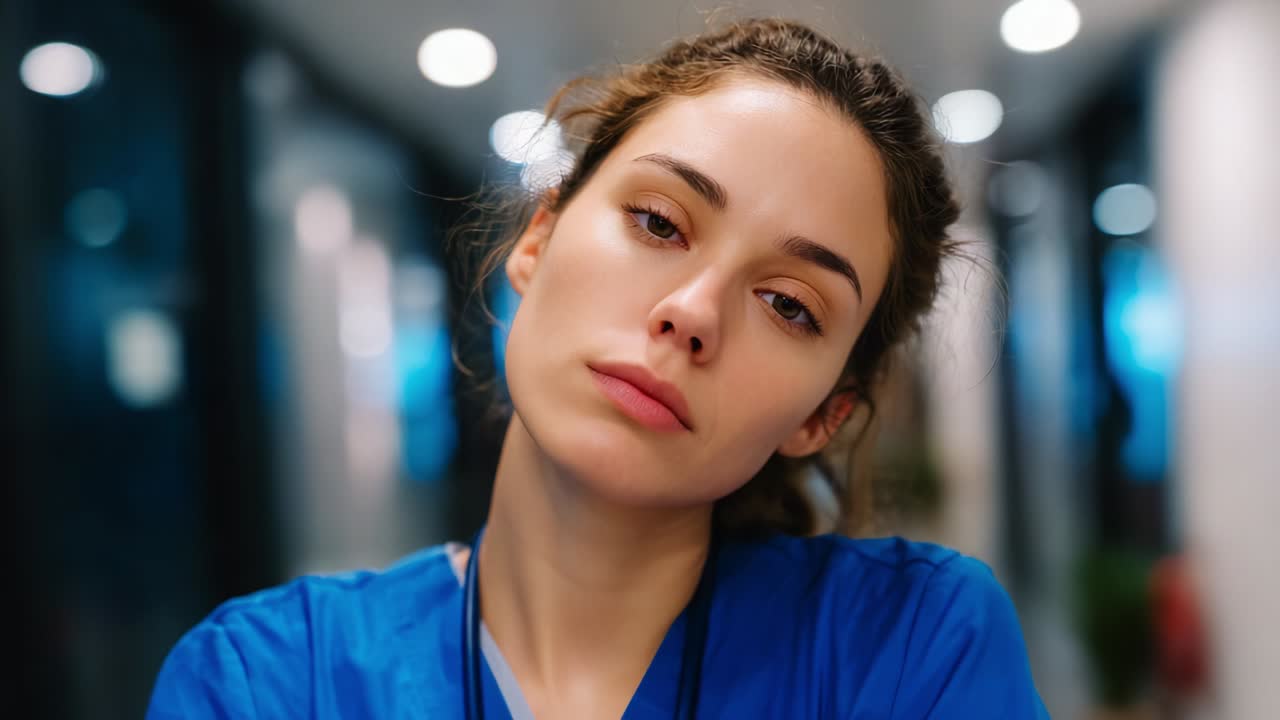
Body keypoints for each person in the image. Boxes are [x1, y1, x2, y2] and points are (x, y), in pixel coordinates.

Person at [147, 17, 1049, 719]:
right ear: (538, 240)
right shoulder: (265, 683)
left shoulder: (913, 651)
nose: (692, 313)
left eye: (789, 305)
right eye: (659, 222)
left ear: (824, 415)